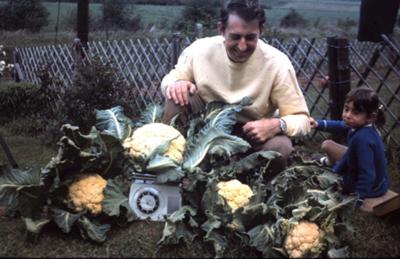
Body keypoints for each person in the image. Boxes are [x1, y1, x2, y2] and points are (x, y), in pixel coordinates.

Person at [160, 0, 311, 174]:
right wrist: (176, 84)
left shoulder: (277, 63)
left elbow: (302, 119)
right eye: (235, 37)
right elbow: (171, 79)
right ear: (221, 30)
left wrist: (278, 124)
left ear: (261, 31)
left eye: (250, 37)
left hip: (249, 132)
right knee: (176, 96)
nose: (242, 46)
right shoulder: (200, 50)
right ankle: (173, 169)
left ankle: (253, 189)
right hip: (205, 125)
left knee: (280, 146)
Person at [309, 86, 389, 206]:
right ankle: (331, 165)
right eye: (346, 109)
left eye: (355, 112)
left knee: (331, 184)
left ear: (370, 117)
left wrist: (357, 199)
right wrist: (317, 124)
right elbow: (340, 125)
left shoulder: (363, 139)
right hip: (377, 179)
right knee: (328, 146)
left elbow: (368, 175)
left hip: (372, 187)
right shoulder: (360, 125)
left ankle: (332, 168)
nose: (348, 115)